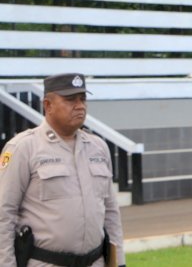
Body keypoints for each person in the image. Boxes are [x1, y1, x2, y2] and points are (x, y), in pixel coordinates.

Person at [0, 73, 126, 267]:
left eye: (83, 99)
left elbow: (110, 212)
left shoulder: (98, 147)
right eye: (70, 100)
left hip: (95, 261)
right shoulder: (23, 148)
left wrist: (119, 261)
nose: (80, 106)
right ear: (47, 105)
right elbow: (4, 214)